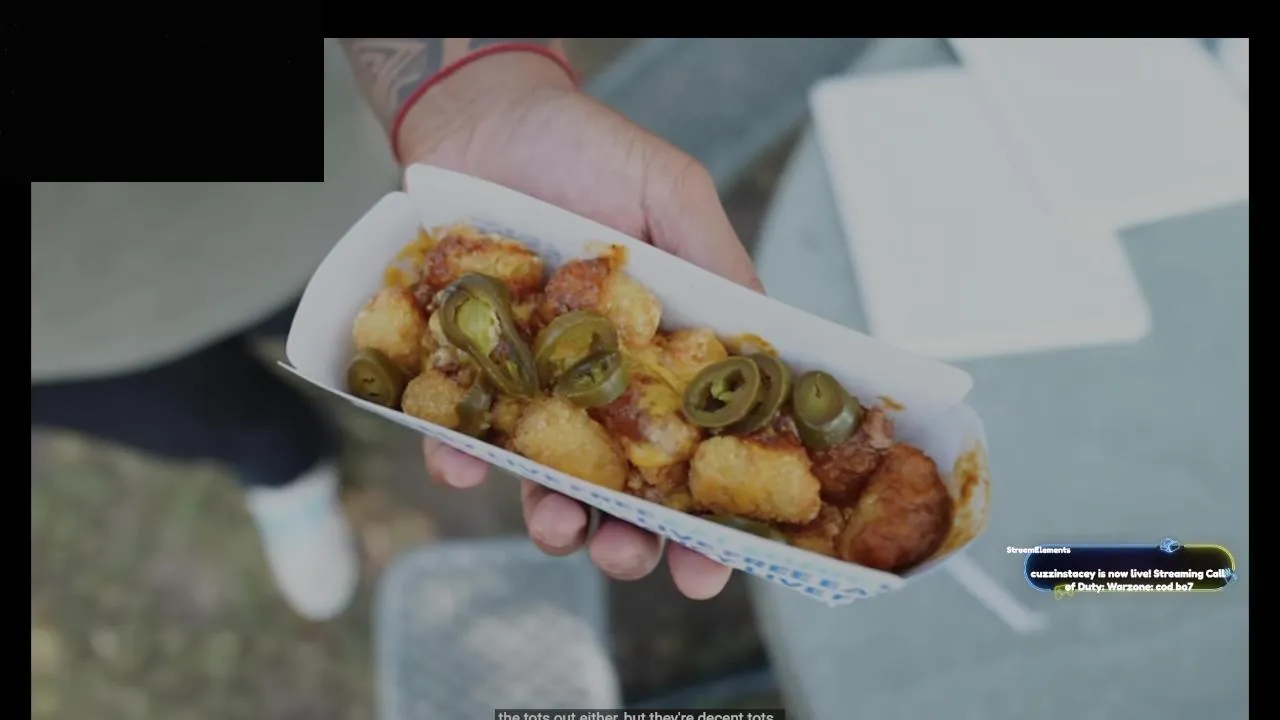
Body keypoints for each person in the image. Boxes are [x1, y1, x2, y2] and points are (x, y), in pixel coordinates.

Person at [31, 38, 759, 621]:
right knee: (217, 422)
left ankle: (286, 461)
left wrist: (479, 96)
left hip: (301, 200)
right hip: (58, 340)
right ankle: (285, 474)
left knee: (340, 345)